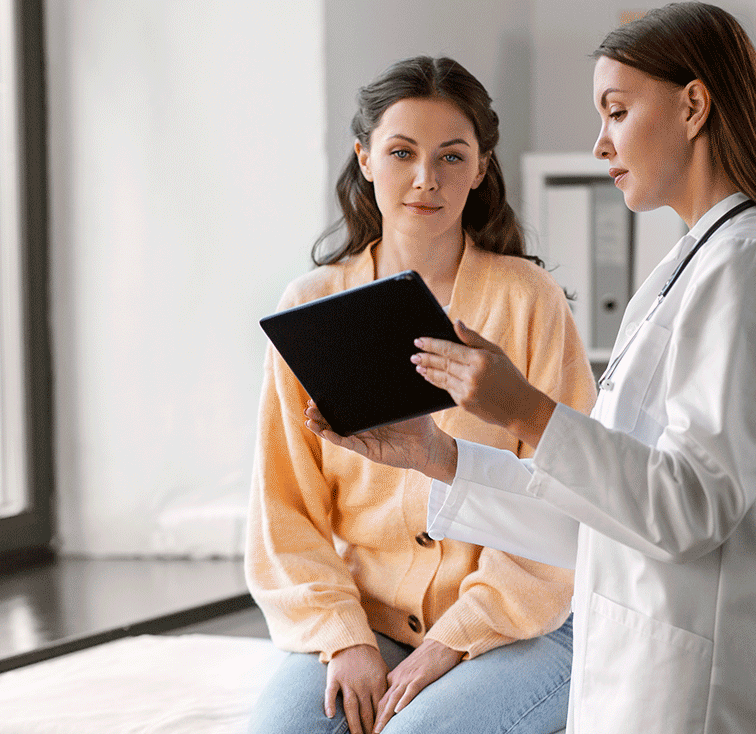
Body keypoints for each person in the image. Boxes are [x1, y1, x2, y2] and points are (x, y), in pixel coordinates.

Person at [305, 3, 756, 732]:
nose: (600, 144)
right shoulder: (688, 269)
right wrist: (440, 457)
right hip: (649, 672)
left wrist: (524, 410)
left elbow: (691, 509)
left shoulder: (749, 265)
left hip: (715, 692)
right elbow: (604, 517)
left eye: (617, 112)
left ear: (693, 106)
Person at [247, 56, 597, 734]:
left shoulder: (529, 302)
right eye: (402, 152)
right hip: (364, 618)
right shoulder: (312, 307)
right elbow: (282, 510)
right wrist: (344, 637)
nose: (425, 179)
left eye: (451, 156)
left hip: (524, 620)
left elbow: (568, 494)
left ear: (482, 166)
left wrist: (449, 642)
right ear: (365, 157)